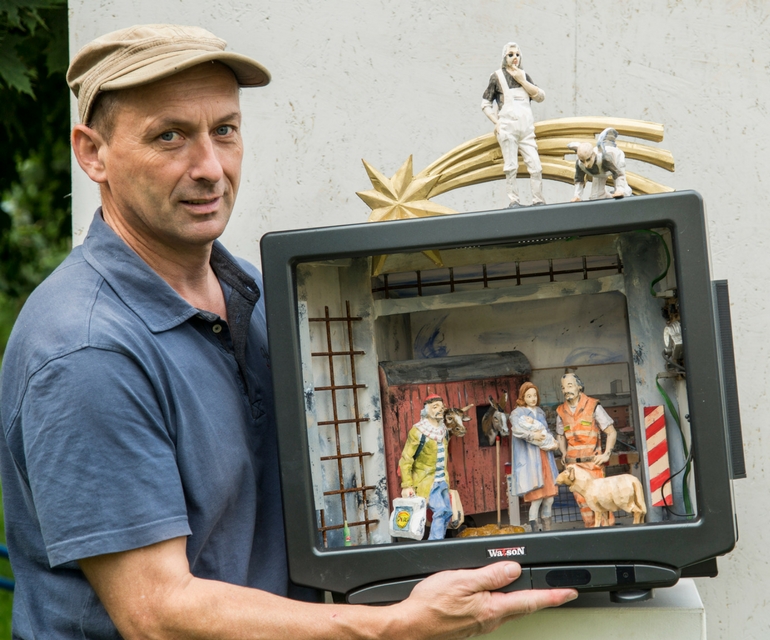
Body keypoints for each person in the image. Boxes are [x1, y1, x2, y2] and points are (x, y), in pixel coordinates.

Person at [0, 24, 576, 639]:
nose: (210, 167)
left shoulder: (252, 287)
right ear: (92, 154)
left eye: (224, 130)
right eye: (169, 136)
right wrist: (393, 626)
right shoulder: (86, 350)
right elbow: (157, 614)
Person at [481, 42, 546, 208]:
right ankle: (513, 200)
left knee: (536, 166)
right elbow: (485, 103)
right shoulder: (497, 77)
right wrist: (497, 122)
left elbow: (540, 96)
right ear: (504, 57)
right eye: (511, 55)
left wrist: (522, 80)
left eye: (517, 54)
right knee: (511, 167)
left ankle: (538, 200)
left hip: (526, 129)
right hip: (507, 129)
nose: (514, 58)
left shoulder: (524, 75)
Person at [554, 373, 618, 528]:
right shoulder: (561, 411)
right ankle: (592, 532)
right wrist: (563, 453)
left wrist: (606, 454)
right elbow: (560, 435)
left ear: (579, 386)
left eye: (570, 385)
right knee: (583, 502)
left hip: (593, 465)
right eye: (563, 387)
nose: (566, 390)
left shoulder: (593, 406)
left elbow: (611, 432)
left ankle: (608, 533)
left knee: (600, 501)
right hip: (573, 467)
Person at [399, 395, 456, 540]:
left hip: (442, 479)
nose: (440, 410)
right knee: (441, 511)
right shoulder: (419, 431)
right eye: (435, 407)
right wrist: (407, 485)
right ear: (426, 410)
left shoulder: (444, 431)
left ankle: (439, 541)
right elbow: (406, 458)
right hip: (426, 481)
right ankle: (434, 544)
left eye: (441, 407)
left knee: (447, 512)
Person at [509, 382, 559, 532]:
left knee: (549, 498)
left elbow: (546, 430)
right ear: (522, 397)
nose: (532, 398)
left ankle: (548, 529)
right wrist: (533, 435)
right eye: (528, 396)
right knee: (536, 499)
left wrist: (551, 440)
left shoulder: (540, 412)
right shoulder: (517, 413)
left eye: (534, 395)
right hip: (531, 460)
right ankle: (535, 530)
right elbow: (517, 431)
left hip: (545, 457)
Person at [569, 128, 631, 202]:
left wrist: (619, 190)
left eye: (588, 160)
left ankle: (623, 192)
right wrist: (577, 196)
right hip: (599, 172)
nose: (586, 165)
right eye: (582, 161)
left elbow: (618, 174)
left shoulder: (605, 159)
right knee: (596, 197)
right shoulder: (580, 164)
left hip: (615, 163)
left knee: (624, 193)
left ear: (593, 155)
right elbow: (579, 180)